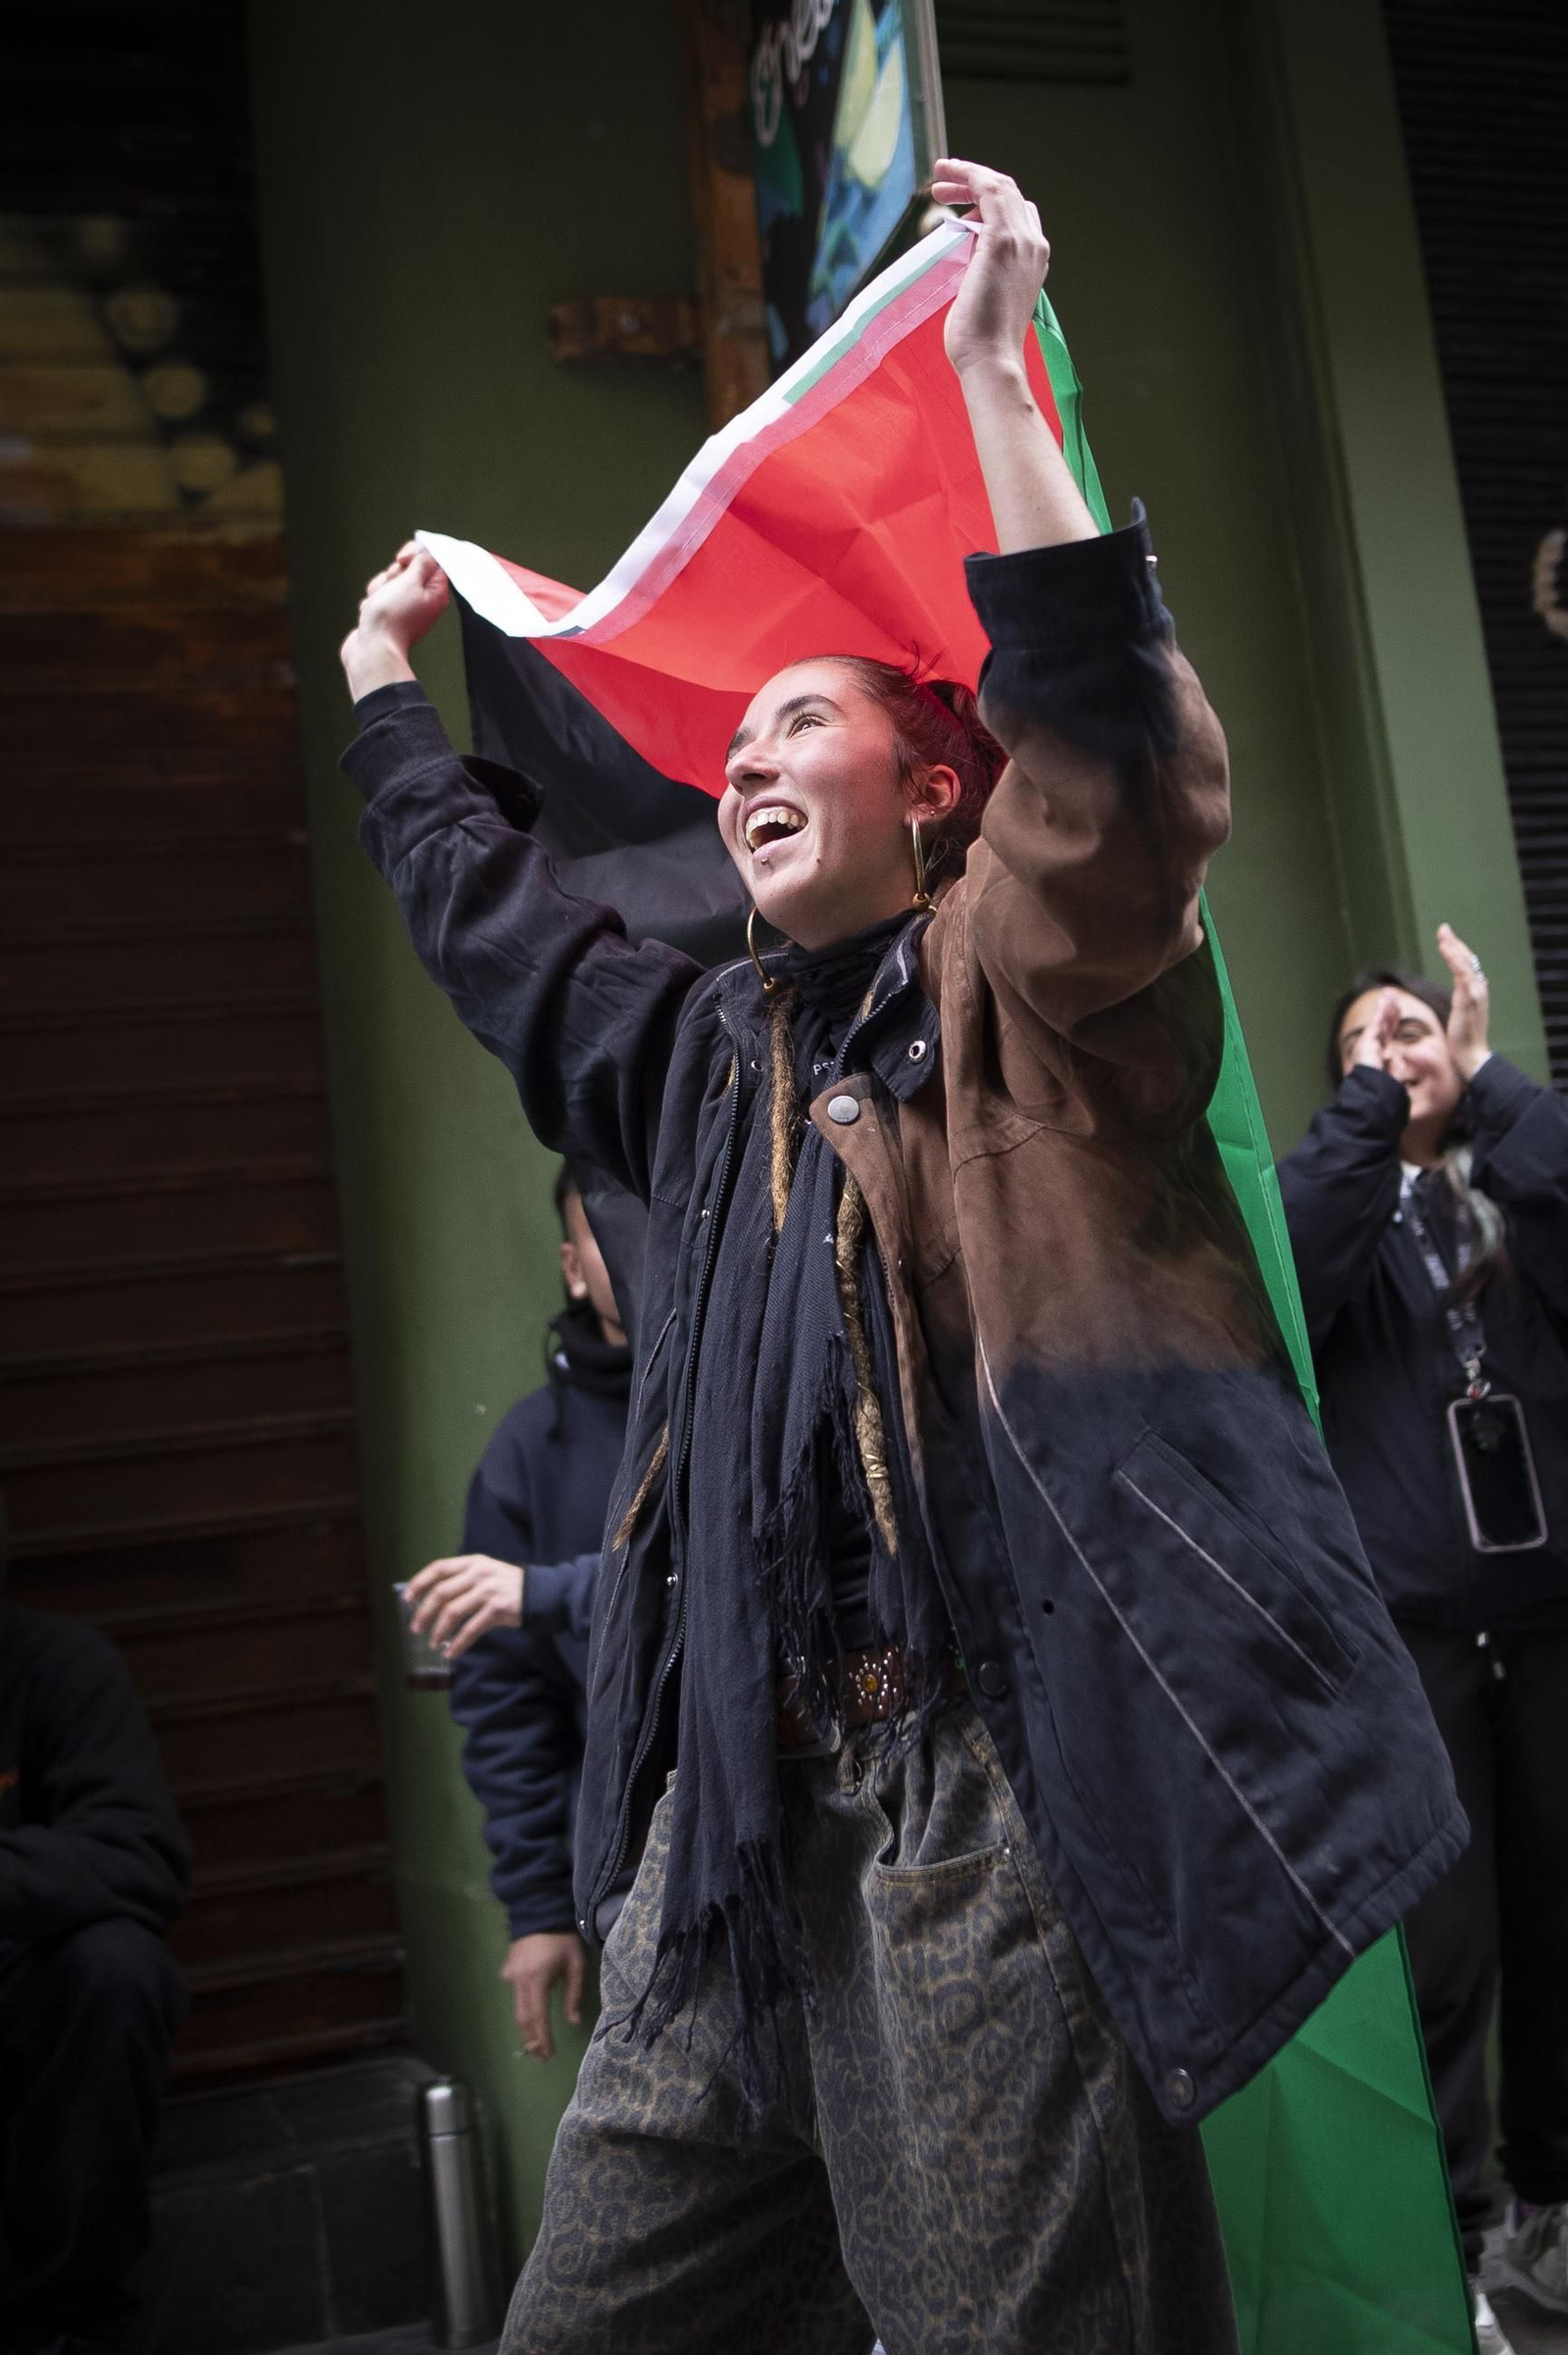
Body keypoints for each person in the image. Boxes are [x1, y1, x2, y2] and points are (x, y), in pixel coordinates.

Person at [338, 159, 1464, 2353]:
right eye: (733, 735)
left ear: (937, 782)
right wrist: (389, 694)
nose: (740, 754)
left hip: (978, 1817)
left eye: (798, 720)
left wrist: (990, 384)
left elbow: (1113, 766)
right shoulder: (693, 1051)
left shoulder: (1033, 987)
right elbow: (507, 941)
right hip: (724, 1827)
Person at [1277, 927, 1568, 2346]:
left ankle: (1554, 2221)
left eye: (1412, 1030)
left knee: (1564, 1925)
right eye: (1361, 1046)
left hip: (1555, 1624)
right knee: (1442, 1955)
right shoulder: (1341, 1212)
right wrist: (1372, 1106)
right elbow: (1294, 1246)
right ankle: (1446, 2247)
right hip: (1420, 1638)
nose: (1396, 1055)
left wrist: (1488, 1078)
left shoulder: (1513, 1186)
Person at [405, 1168, 633, 2064]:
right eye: (607, 1234)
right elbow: (503, 1699)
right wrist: (540, 1906)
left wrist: (546, 1593)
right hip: (637, 1874)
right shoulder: (528, 1451)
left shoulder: (737, 1401)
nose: (633, 1246)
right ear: (573, 1268)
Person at [0, 1497, 190, 2355]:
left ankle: (68, 2322)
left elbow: (137, 1853)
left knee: (117, 1966)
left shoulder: (57, 1665)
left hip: (22, 1983)